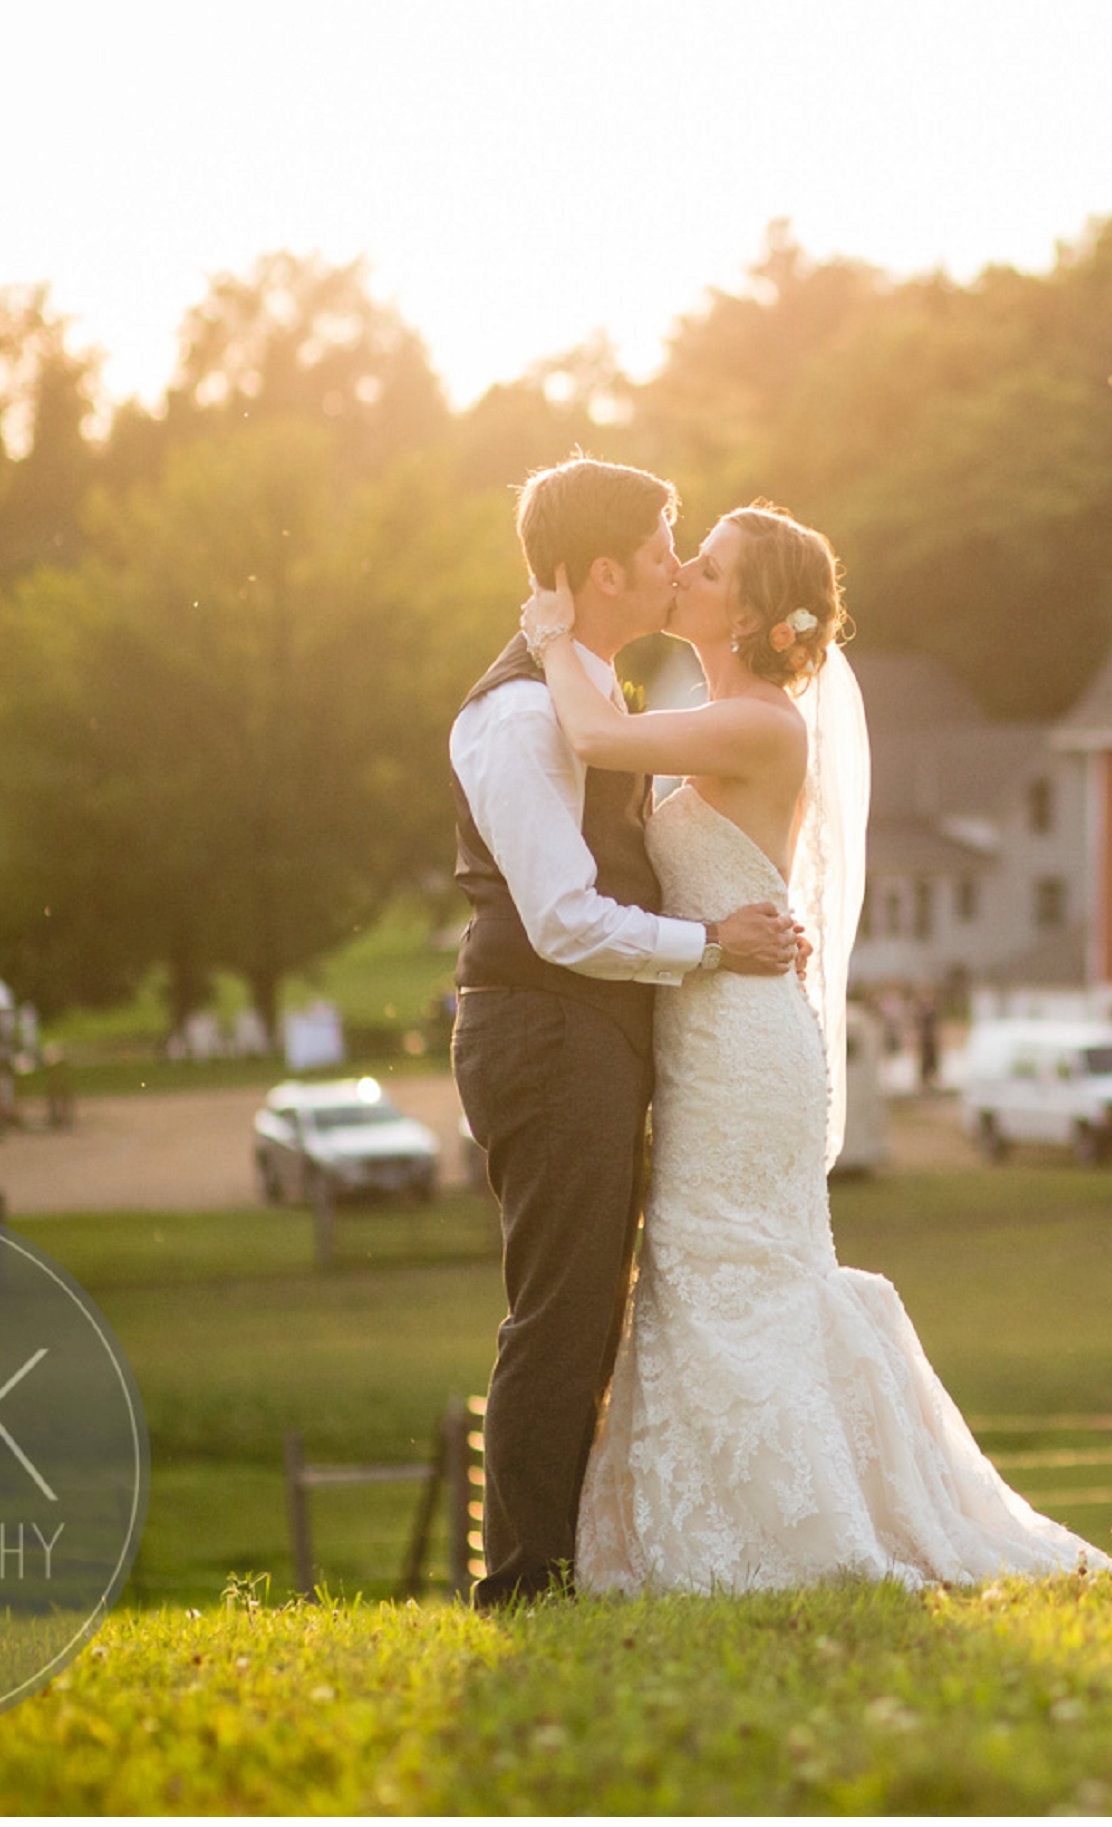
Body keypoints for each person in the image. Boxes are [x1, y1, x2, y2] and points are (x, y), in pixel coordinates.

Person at [520, 499, 1110, 1593]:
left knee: (727, 1267)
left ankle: (800, 1527)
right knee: (708, 1268)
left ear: (751, 612)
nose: (684, 569)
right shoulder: (713, 710)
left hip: (743, 1044)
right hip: (709, 1015)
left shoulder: (766, 727)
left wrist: (549, 633)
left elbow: (594, 739)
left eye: (709, 564)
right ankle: (729, 1518)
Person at [447, 458, 809, 1610]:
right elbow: (558, 919)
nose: (674, 564)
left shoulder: (600, 702)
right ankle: (522, 1584)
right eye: (664, 547)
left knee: (600, 1304)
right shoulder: (518, 717)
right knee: (562, 1310)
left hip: (614, 1036)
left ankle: (582, 1565)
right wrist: (705, 947)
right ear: (605, 570)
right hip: (547, 1031)